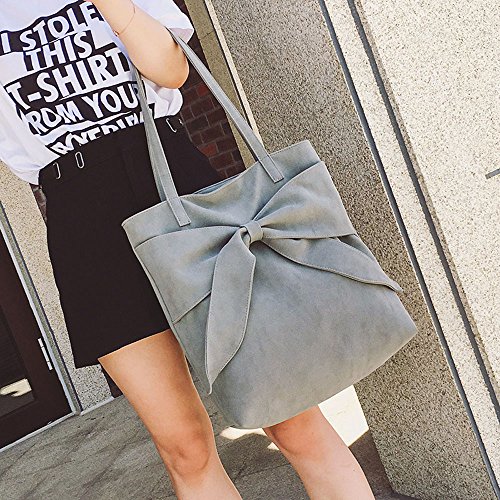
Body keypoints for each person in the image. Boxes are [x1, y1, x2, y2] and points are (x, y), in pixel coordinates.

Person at [0, 1, 376, 498]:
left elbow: (171, 70)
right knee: (186, 448)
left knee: (288, 413)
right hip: (82, 220)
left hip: (179, 189)